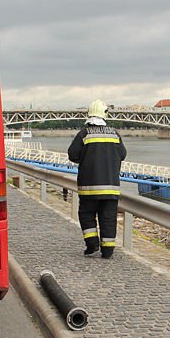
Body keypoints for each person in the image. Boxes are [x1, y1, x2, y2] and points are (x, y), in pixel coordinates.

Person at [67, 99, 127, 259]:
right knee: (108, 219)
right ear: (104, 115)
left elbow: (73, 154)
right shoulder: (115, 134)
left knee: (86, 215)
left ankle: (92, 244)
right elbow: (122, 155)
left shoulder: (84, 134)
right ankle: (107, 251)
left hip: (89, 187)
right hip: (111, 187)